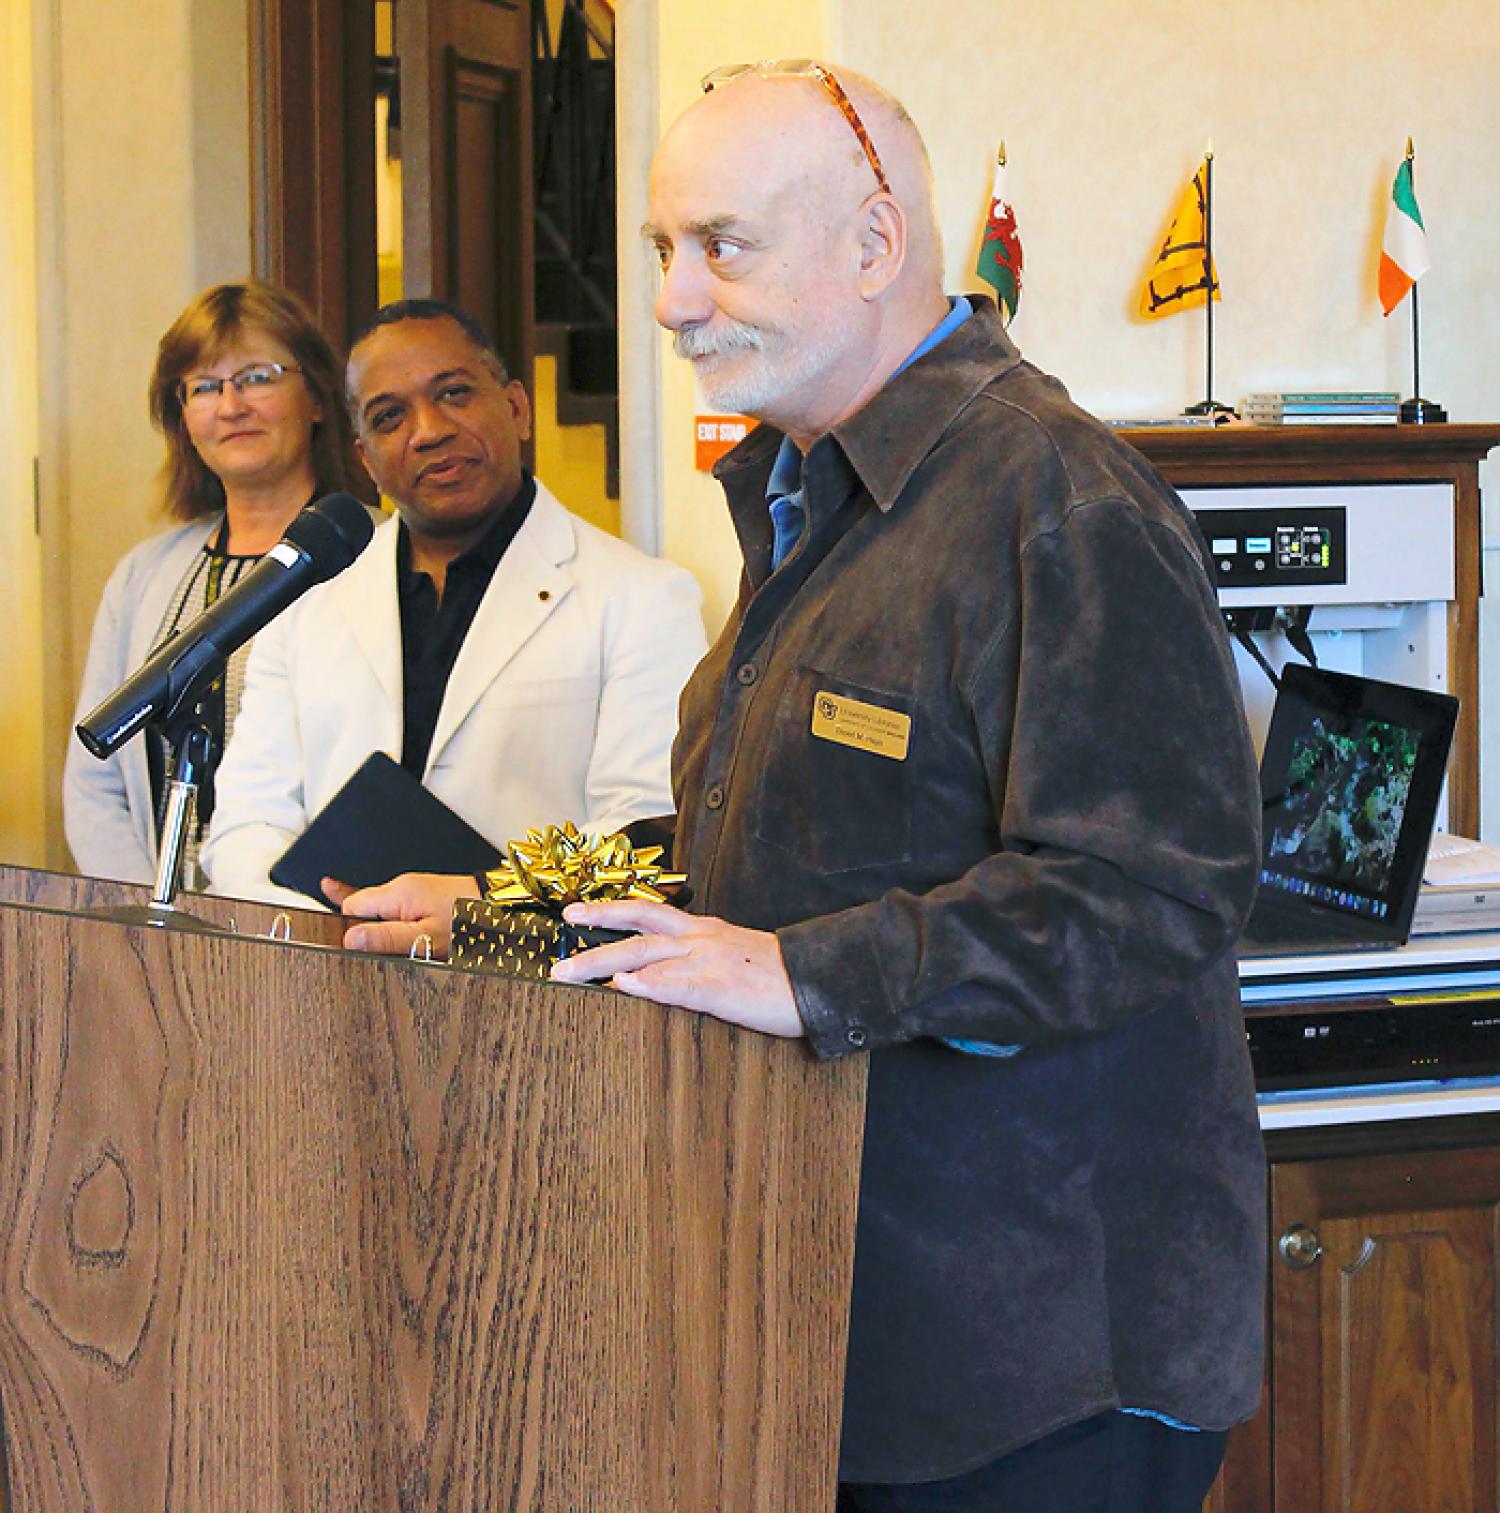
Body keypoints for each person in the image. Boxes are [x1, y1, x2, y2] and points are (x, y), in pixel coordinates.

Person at [337, 69, 1266, 1509]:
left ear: (876, 244)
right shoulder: (805, 493)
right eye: (659, 251)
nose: (669, 299)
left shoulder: (1057, 495)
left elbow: (1148, 891)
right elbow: (773, 848)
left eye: (722, 246)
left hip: (1047, 1370)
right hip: (847, 1325)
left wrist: (804, 973)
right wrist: (517, 908)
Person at [201, 298, 706, 910]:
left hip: (533, 981)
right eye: (389, 417)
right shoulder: (307, 598)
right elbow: (248, 820)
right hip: (327, 964)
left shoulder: (641, 598)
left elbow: (645, 835)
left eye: (455, 394)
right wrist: (328, 926)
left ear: (517, 408)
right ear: (365, 460)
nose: (429, 431)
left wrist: (482, 902)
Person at [63, 280, 358, 887]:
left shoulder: (377, 556)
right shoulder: (144, 576)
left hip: (320, 923)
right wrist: (153, 916)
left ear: (318, 399)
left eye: (257, 376)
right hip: (163, 929)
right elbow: (95, 783)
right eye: (205, 386)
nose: (231, 405)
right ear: (183, 418)